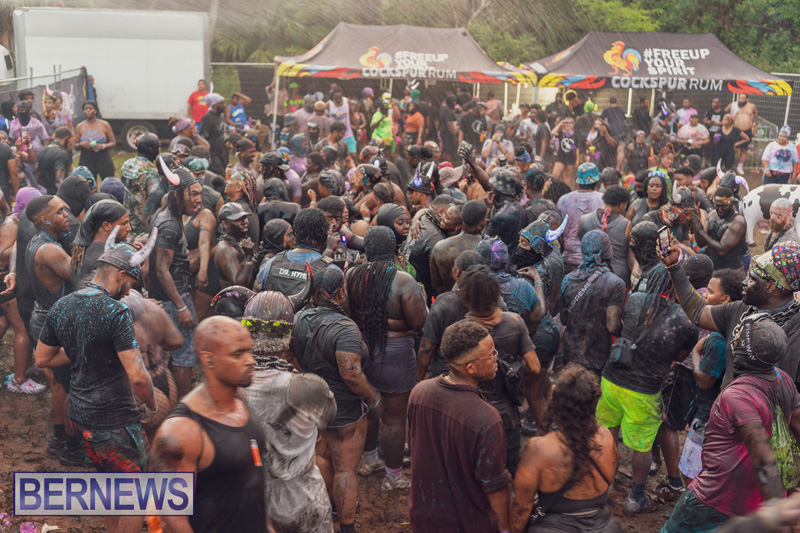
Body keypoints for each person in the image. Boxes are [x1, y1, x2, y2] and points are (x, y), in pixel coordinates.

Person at [36, 234, 156, 533]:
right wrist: (152, 405)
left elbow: (42, 358)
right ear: (121, 274)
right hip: (114, 419)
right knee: (134, 494)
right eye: (131, 283)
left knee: (110, 485)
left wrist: (81, 350)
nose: (130, 291)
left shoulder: (62, 305)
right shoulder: (116, 312)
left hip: (80, 418)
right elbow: (138, 376)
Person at [661, 314, 800, 532]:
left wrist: (776, 514)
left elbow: (762, 458)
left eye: (737, 337)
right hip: (755, 502)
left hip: (716, 497)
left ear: (743, 349)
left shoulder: (738, 395)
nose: (733, 339)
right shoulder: (783, 379)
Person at [596, 263, 698, 514]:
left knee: (607, 434)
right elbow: (679, 356)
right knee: (642, 446)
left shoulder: (635, 300)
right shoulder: (687, 321)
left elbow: (621, 328)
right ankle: (636, 498)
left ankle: (604, 486)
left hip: (611, 379)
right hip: (644, 390)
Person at [151, 316, 268, 533]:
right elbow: (174, 518)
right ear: (209, 360)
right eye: (238, 354)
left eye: (250, 351)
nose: (251, 360)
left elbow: (251, 487)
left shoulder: (240, 400)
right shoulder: (183, 431)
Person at [291, 268, 381, 533]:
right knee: (345, 470)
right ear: (340, 292)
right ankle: (347, 527)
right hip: (344, 411)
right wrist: (373, 397)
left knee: (321, 457)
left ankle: (329, 508)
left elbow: (290, 355)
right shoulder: (344, 328)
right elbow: (351, 374)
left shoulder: (298, 318)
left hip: (312, 405)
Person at [241, 291, 337, 532]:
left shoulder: (227, 394)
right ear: (288, 336)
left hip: (255, 505)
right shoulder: (311, 388)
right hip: (303, 500)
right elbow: (327, 419)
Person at [407, 320, 511, 533]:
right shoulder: (486, 419)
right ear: (471, 367)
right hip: (467, 524)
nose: (496, 358)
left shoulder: (419, 392)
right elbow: (495, 487)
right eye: (491, 355)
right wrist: (505, 529)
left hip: (423, 517)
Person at [347, 227, 427, 491]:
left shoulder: (352, 275)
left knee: (369, 409)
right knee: (394, 418)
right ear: (393, 249)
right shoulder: (404, 280)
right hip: (396, 353)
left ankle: (370, 460)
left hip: (362, 349)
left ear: (366, 249)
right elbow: (419, 321)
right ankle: (393, 477)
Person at [511, 364, 622, 533]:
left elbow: (521, 508)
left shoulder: (540, 448)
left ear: (557, 402)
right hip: (606, 527)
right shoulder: (605, 436)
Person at [459, 265, 541, 474]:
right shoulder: (514, 323)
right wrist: (513, 374)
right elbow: (534, 367)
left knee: (476, 470)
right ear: (496, 294)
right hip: (507, 416)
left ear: (466, 296)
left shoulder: (461, 330)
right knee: (509, 468)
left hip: (472, 415)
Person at [149, 165, 202, 398]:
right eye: (194, 194)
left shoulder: (167, 215)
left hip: (172, 296)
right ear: (178, 194)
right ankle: (184, 408)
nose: (199, 200)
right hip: (174, 298)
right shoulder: (169, 224)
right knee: (184, 356)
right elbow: (161, 270)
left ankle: (174, 400)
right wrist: (180, 307)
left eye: (200, 194)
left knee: (181, 353)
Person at [559, 230, 625, 375]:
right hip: (597, 360)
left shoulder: (568, 279)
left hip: (570, 357)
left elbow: (564, 319)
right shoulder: (615, 283)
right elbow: (613, 326)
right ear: (607, 250)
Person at [430, 199, 487, 295]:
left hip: (447, 300)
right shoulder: (488, 247)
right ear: (483, 222)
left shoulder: (439, 247)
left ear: (461, 216)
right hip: (478, 300)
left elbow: (436, 286)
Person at [578, 185, 632, 285]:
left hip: (589, 275)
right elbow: (630, 254)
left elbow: (582, 240)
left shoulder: (584, 220)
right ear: (620, 205)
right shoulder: (626, 224)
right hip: (618, 277)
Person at [70, 200, 130, 289]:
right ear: (106, 226)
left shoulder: (81, 252)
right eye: (124, 223)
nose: (129, 228)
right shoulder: (104, 258)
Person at [407, 194, 457, 302]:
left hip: (410, 289)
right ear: (441, 212)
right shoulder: (436, 240)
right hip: (421, 297)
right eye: (449, 214)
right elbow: (441, 286)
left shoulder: (424, 218)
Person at [558, 162, 604, 272]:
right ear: (596, 181)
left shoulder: (563, 200)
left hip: (569, 258)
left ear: (577, 181)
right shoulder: (603, 200)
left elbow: (559, 232)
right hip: (595, 261)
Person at [694, 186, 748, 271]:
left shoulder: (738, 222)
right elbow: (701, 243)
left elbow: (721, 250)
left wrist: (701, 232)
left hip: (730, 270)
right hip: (712, 267)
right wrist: (696, 227)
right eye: (717, 205)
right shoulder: (712, 215)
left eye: (724, 206)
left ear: (732, 203)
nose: (720, 209)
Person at [120, 133, 159, 233]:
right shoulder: (151, 171)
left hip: (126, 217)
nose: (159, 150)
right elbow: (154, 199)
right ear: (151, 150)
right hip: (142, 223)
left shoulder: (126, 164)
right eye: (158, 147)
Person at [214, 202, 257, 288]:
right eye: (238, 219)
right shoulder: (225, 249)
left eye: (244, 217)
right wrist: (248, 257)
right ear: (225, 224)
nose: (244, 222)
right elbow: (238, 285)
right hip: (233, 296)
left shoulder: (239, 242)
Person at [73, 100, 115, 181]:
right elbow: (75, 146)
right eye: (85, 109)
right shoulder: (80, 126)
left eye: (90, 108)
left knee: (109, 182)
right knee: (87, 183)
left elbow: (113, 143)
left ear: (95, 110)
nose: (88, 110)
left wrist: (102, 146)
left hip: (103, 158)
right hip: (86, 158)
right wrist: (82, 144)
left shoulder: (104, 124)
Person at [485, 170, 526, 252]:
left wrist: (488, 208)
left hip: (503, 258)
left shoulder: (500, 216)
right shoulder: (520, 209)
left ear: (497, 190)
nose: (491, 190)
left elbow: (485, 241)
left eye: (493, 187)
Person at [224, 171, 261, 245]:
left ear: (238, 187)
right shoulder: (247, 207)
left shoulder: (238, 210)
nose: (226, 181)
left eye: (231, 180)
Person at [35, 126, 73, 194]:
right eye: (71, 141)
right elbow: (58, 181)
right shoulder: (61, 154)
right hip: (61, 195)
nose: (71, 145)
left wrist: (50, 188)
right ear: (66, 138)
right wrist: (67, 195)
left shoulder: (41, 152)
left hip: (49, 194)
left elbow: (39, 179)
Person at [726, 93, 758, 174]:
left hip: (747, 130)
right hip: (736, 130)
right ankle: (730, 166)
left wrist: (754, 122)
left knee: (744, 149)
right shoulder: (733, 105)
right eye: (740, 98)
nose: (740, 100)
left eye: (743, 98)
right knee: (733, 148)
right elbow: (725, 111)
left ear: (747, 99)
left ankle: (740, 167)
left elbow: (755, 113)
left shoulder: (751, 106)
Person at [199, 93, 228, 175]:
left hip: (223, 154)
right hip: (214, 155)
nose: (224, 106)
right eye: (221, 104)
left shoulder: (221, 117)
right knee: (220, 175)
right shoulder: (207, 118)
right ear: (215, 105)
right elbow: (203, 136)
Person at [328, 87, 357, 156]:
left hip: (348, 133)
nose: (338, 99)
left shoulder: (347, 101)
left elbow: (352, 115)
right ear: (333, 97)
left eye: (340, 98)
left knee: (353, 155)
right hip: (335, 135)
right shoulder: (329, 104)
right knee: (337, 156)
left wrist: (357, 127)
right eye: (336, 98)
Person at [551, 117, 579, 186]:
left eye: (570, 123)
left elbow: (577, 148)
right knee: (555, 174)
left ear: (573, 124)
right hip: (561, 156)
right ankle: (554, 188)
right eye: (566, 123)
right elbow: (553, 132)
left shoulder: (576, 136)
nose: (568, 124)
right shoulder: (561, 133)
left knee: (567, 175)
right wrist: (560, 124)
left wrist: (577, 159)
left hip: (571, 157)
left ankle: (566, 189)